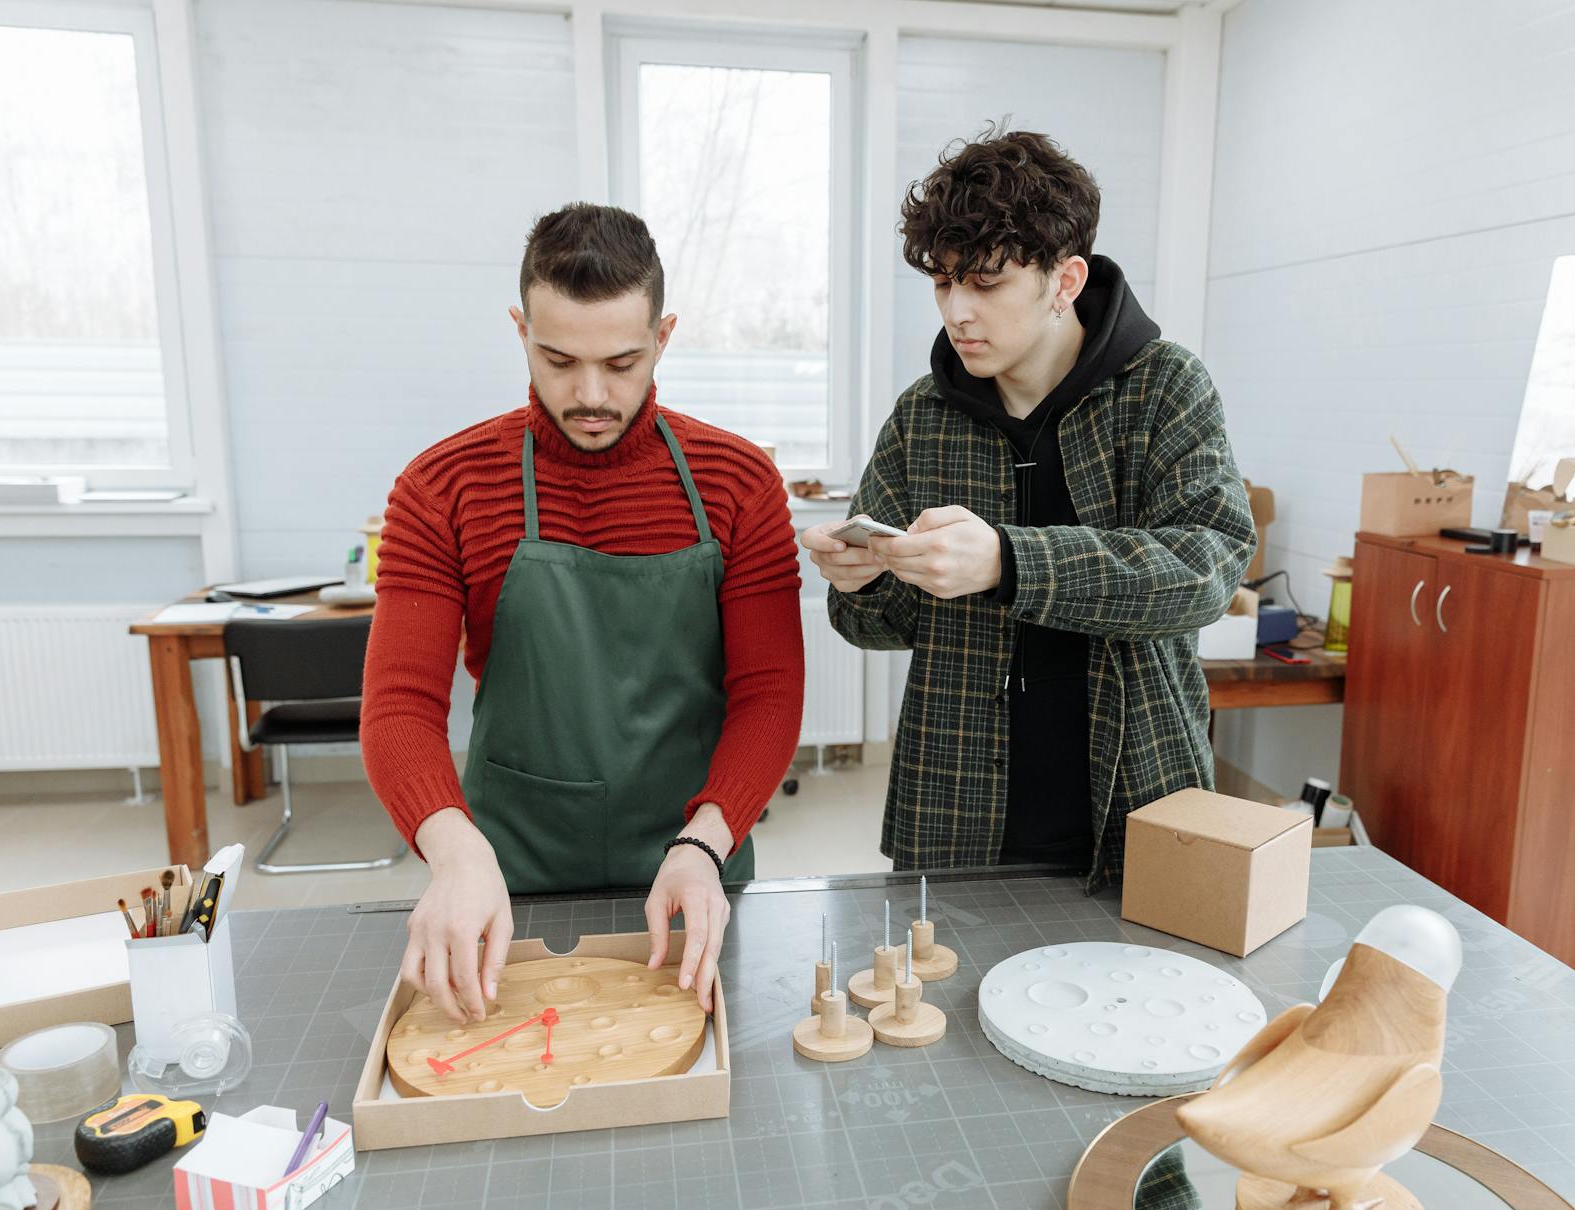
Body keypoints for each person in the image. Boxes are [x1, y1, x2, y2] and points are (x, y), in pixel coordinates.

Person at [362, 203, 803, 1022]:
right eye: (557, 360)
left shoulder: (739, 482)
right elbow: (397, 708)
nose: (591, 394)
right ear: (518, 328)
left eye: (623, 361)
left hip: (696, 863)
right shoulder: (440, 488)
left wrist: (708, 841)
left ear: (663, 336)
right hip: (506, 873)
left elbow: (770, 693)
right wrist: (453, 852)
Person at [802, 127, 1255, 890]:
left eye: (985, 283)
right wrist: (862, 584)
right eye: (944, 284)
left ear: (1064, 280)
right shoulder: (923, 417)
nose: (957, 312)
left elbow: (1206, 569)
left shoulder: (1164, 388)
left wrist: (1010, 563)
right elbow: (880, 628)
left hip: (1137, 796)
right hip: (955, 812)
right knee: (942, 1005)